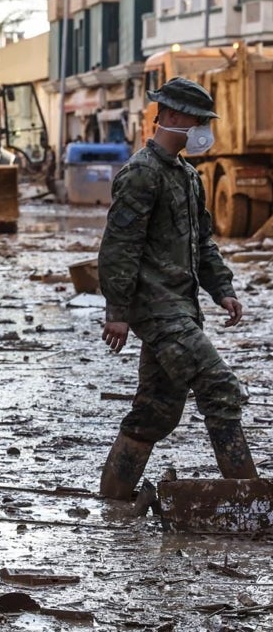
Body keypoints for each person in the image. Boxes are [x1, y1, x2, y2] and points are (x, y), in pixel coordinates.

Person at [97, 77, 258, 499]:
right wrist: (117, 312)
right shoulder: (140, 174)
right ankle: (252, 499)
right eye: (197, 119)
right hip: (157, 311)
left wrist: (222, 289)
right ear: (169, 116)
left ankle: (113, 499)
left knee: (155, 411)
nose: (204, 128)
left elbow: (201, 242)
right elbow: (120, 245)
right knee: (220, 388)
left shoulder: (187, 176)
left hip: (180, 309)